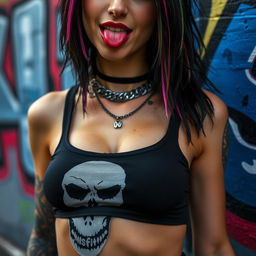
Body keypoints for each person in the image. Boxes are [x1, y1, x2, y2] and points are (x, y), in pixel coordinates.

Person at [26, 0, 236, 255]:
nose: (117, 7)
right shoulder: (46, 114)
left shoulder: (200, 115)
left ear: (164, 9)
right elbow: (42, 239)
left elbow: (213, 247)